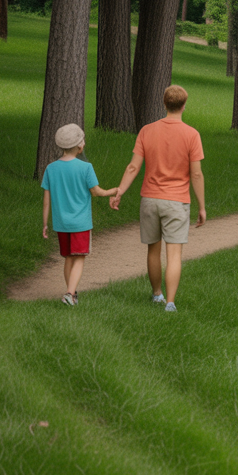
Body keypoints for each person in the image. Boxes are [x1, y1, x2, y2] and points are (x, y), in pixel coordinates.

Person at [111, 85, 206, 313]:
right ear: (184, 106)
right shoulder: (191, 135)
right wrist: (202, 206)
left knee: (153, 250)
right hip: (177, 201)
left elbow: (133, 167)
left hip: (150, 200)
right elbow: (196, 174)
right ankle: (170, 303)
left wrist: (120, 192)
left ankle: (157, 295)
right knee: (174, 254)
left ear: (164, 103)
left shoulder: (147, 131)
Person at [41, 123, 117, 306]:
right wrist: (112, 191)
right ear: (79, 146)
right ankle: (69, 293)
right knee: (79, 258)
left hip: (61, 223)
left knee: (68, 257)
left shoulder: (51, 168)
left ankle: (72, 294)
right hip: (80, 223)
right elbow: (96, 192)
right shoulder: (85, 167)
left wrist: (45, 224)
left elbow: (46, 200)